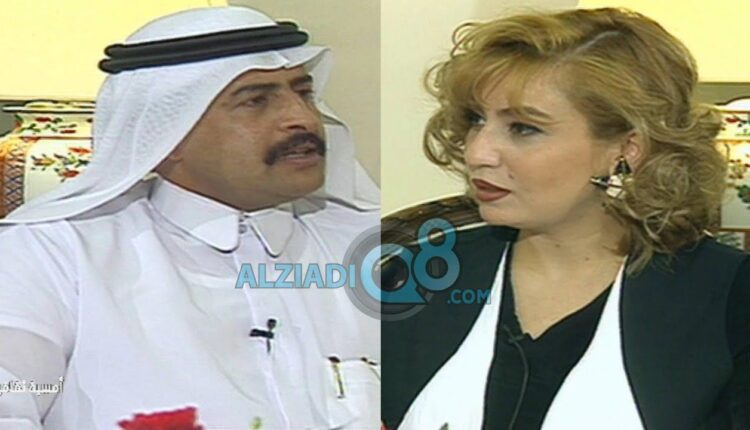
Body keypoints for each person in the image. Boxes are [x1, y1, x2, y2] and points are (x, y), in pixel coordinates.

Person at [0, 6, 380, 430]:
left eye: (304, 93)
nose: (302, 119)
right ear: (167, 136)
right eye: (256, 101)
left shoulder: (370, 245)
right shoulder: (53, 255)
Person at [382, 7, 750, 429]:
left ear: (626, 149)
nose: (477, 152)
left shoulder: (728, 298)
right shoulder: (419, 274)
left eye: (524, 128)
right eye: (476, 120)